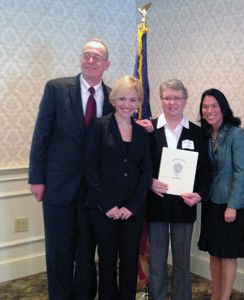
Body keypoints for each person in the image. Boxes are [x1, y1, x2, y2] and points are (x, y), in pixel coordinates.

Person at [28, 38, 112, 299]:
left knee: (87, 254)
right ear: (80, 59)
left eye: (96, 57)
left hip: (93, 192)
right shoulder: (56, 88)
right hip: (58, 186)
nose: (90, 60)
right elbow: (41, 134)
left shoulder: (113, 97)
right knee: (59, 253)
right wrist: (37, 178)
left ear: (106, 64)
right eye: (86, 55)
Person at [84, 75, 152, 299]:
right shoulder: (99, 127)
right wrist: (107, 205)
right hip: (104, 209)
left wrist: (132, 206)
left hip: (132, 210)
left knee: (130, 262)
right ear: (113, 100)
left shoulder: (142, 133)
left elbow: (146, 173)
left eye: (133, 100)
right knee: (106, 262)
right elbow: (90, 168)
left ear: (139, 102)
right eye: (122, 98)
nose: (127, 104)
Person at [144, 79, 211, 300]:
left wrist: (200, 195)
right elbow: (138, 166)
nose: (172, 102)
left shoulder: (198, 133)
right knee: (156, 260)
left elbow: (205, 171)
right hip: (156, 206)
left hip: (184, 206)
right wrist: (150, 182)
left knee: (182, 261)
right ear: (161, 100)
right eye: (167, 98)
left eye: (177, 98)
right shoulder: (148, 130)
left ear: (185, 100)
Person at [197, 88, 244, 300]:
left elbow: (242, 171)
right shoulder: (205, 134)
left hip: (230, 204)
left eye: (214, 106)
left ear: (223, 108)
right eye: (205, 106)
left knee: (227, 254)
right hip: (211, 202)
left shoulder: (237, 134)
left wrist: (233, 205)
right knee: (214, 252)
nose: (209, 110)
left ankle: (224, 297)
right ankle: (215, 295)